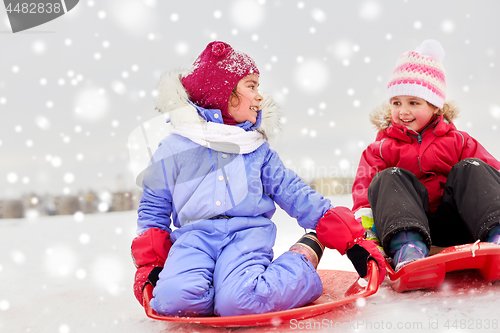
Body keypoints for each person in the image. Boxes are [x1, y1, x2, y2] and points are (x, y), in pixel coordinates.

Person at [130, 41, 385, 317]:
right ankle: (217, 288)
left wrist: (353, 241)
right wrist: (151, 264)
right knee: (173, 302)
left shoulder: (256, 150)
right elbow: (153, 210)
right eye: (251, 86)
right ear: (222, 93)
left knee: (238, 303)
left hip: (245, 238)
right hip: (193, 240)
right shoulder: (173, 148)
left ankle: (303, 257)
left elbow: (297, 195)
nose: (259, 96)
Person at [352, 39, 500, 272]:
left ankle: (497, 233)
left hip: (461, 224)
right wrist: (367, 236)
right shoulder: (379, 150)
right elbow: (364, 200)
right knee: (389, 177)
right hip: (405, 226)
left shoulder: (459, 141)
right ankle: (408, 248)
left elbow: (492, 177)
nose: (403, 111)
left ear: (435, 107)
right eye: (396, 102)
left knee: (472, 167)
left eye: (414, 102)